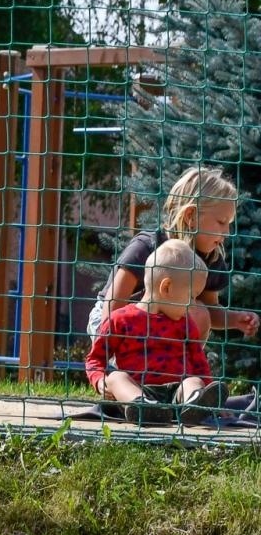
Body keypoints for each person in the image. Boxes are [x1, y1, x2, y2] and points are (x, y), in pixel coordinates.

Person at [85, 166, 256, 341]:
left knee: (199, 313)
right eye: (221, 222)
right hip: (113, 320)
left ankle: (180, 366)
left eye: (229, 223)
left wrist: (234, 319)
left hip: (156, 324)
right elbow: (114, 304)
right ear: (191, 216)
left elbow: (210, 309)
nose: (227, 232)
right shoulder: (147, 246)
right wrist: (113, 347)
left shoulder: (210, 257)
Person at [84, 239, 219, 425]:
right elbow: (95, 358)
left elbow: (200, 364)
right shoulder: (120, 320)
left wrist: (208, 388)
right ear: (166, 287)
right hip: (138, 389)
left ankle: (194, 406)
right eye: (190, 296)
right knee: (116, 378)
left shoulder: (185, 324)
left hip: (176, 393)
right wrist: (100, 381)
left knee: (193, 381)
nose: (192, 303)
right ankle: (142, 408)